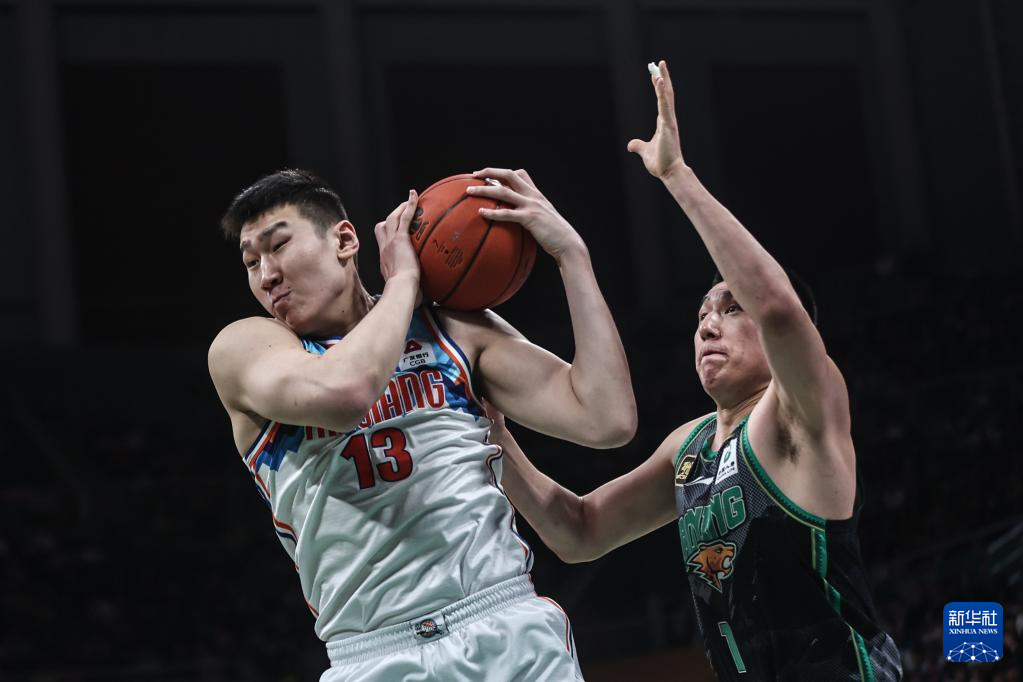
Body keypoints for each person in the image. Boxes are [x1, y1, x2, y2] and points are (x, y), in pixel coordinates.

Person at [488, 60, 903, 681]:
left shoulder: (802, 413)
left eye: (731, 309)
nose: (709, 324)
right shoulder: (690, 447)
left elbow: (779, 309)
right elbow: (579, 531)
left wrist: (676, 175)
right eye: (702, 313)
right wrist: (493, 431)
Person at [207, 168, 637, 681]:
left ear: (344, 240)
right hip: (373, 654)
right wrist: (404, 282)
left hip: (501, 621)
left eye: (278, 247)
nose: (266, 275)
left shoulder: (450, 330)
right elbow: (345, 395)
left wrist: (572, 256)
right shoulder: (246, 348)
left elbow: (605, 418)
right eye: (251, 262)